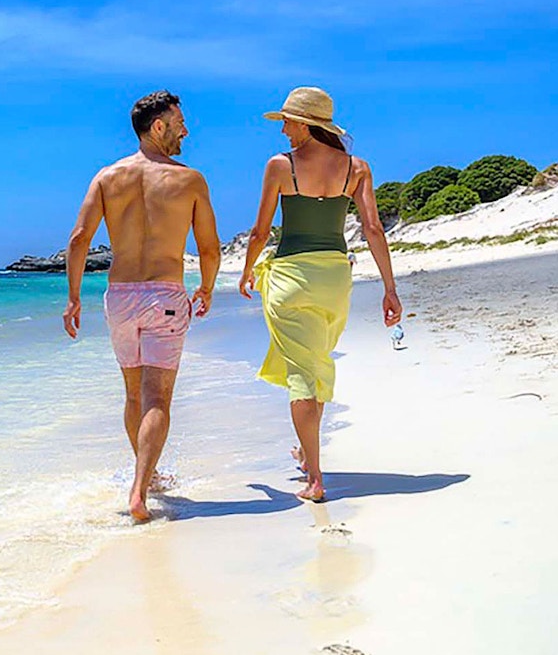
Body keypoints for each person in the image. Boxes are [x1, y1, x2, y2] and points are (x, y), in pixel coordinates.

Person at [63, 90, 221, 523]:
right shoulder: (189, 180)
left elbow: (78, 240)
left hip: (121, 298)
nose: (186, 130)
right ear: (158, 127)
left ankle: (145, 477)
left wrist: (74, 297)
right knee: (158, 397)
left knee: (133, 393)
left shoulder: (107, 178)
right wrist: (206, 288)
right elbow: (208, 247)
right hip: (164, 296)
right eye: (180, 122)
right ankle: (140, 491)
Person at [237, 87, 402, 501]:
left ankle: (314, 480)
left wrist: (245, 272)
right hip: (334, 279)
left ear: (308, 125)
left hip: (291, 277)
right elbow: (373, 229)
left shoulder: (281, 166)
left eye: (288, 122)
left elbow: (260, 232)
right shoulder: (356, 168)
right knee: (315, 364)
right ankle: (308, 456)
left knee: (301, 375)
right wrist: (389, 288)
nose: (284, 130)